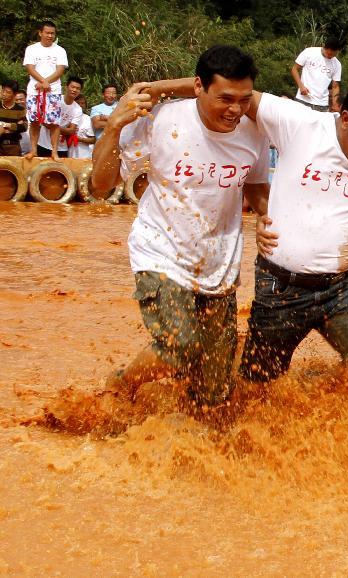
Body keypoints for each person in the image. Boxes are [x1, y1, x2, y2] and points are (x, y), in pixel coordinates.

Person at [93, 45, 271, 410]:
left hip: (218, 264)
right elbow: (100, 185)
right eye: (224, 99)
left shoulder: (254, 132)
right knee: (180, 346)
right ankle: (122, 386)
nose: (235, 109)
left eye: (243, 99)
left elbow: (255, 185)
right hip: (161, 251)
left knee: (214, 397)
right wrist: (113, 125)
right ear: (198, 88)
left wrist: (268, 221)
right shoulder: (161, 121)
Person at [227, 83, 348, 384]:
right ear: (345, 117)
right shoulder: (300, 124)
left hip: (340, 289)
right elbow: (234, 90)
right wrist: (153, 90)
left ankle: (330, 420)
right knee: (255, 390)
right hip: (281, 286)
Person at [22, 19, 68, 161]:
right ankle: (34, 150)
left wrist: (46, 82)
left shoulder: (60, 50)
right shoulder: (31, 49)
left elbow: (60, 69)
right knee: (35, 121)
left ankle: (54, 152)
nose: (50, 36)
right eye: (47, 33)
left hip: (53, 91)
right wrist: (43, 82)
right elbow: (30, 67)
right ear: (40, 33)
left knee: (54, 122)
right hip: (34, 91)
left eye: (52, 33)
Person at [291, 36, 342, 112]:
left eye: (333, 55)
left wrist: (335, 104)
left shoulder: (337, 64)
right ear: (324, 47)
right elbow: (294, 69)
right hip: (303, 100)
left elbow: (335, 86)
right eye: (329, 54)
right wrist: (301, 86)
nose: (330, 57)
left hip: (322, 105)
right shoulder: (309, 52)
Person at [35, 76, 82, 159]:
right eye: (73, 87)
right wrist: (63, 130)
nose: (74, 90)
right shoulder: (55, 100)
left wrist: (53, 127)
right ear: (67, 87)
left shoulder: (78, 109)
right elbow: (44, 121)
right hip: (43, 144)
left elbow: (71, 131)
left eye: (78, 88)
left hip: (61, 148)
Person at [0, 81, 27, 157]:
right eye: (3, 91)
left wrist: (7, 125)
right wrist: (15, 126)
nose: (4, 94)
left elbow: (24, 127)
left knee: (13, 167)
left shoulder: (20, 109)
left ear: (14, 94)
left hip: (13, 146)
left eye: (8, 92)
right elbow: (19, 126)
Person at [68, 94, 95, 159]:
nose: (80, 105)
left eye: (82, 103)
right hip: (68, 153)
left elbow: (93, 140)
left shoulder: (88, 119)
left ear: (85, 105)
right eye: (77, 103)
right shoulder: (68, 117)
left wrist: (80, 139)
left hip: (84, 156)